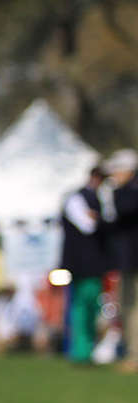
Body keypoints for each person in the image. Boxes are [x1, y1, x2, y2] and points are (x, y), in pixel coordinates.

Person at [61, 165, 108, 363]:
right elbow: (88, 225)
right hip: (81, 265)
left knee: (90, 308)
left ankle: (87, 349)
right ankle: (80, 351)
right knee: (80, 307)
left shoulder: (98, 199)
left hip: (93, 265)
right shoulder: (76, 198)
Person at [98, 149, 138, 370]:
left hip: (134, 259)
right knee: (126, 305)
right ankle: (131, 353)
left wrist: (111, 194)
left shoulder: (130, 192)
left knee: (134, 307)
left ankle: (134, 355)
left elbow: (123, 210)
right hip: (127, 260)